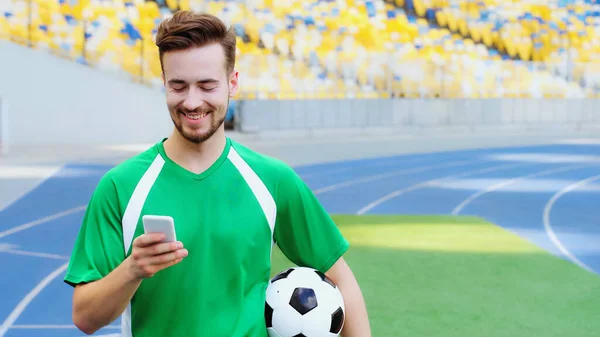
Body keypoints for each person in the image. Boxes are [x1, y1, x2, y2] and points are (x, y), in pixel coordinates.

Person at [64, 10, 371, 337]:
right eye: (178, 86)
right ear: (164, 84)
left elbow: (341, 279)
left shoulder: (273, 180)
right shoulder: (120, 187)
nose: (192, 102)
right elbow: (86, 317)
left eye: (207, 85)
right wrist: (132, 270)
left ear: (232, 83)